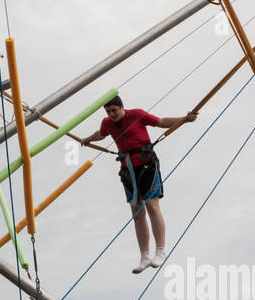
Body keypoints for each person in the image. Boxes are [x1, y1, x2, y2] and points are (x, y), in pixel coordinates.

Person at [79, 95, 196, 273]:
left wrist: (184, 119)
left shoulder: (136, 115)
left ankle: (160, 251)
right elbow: (100, 134)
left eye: (114, 110)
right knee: (137, 211)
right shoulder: (107, 123)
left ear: (121, 107)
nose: (111, 114)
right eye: (108, 111)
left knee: (152, 206)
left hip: (146, 163)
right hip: (127, 170)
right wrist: (87, 139)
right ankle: (144, 256)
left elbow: (161, 121)